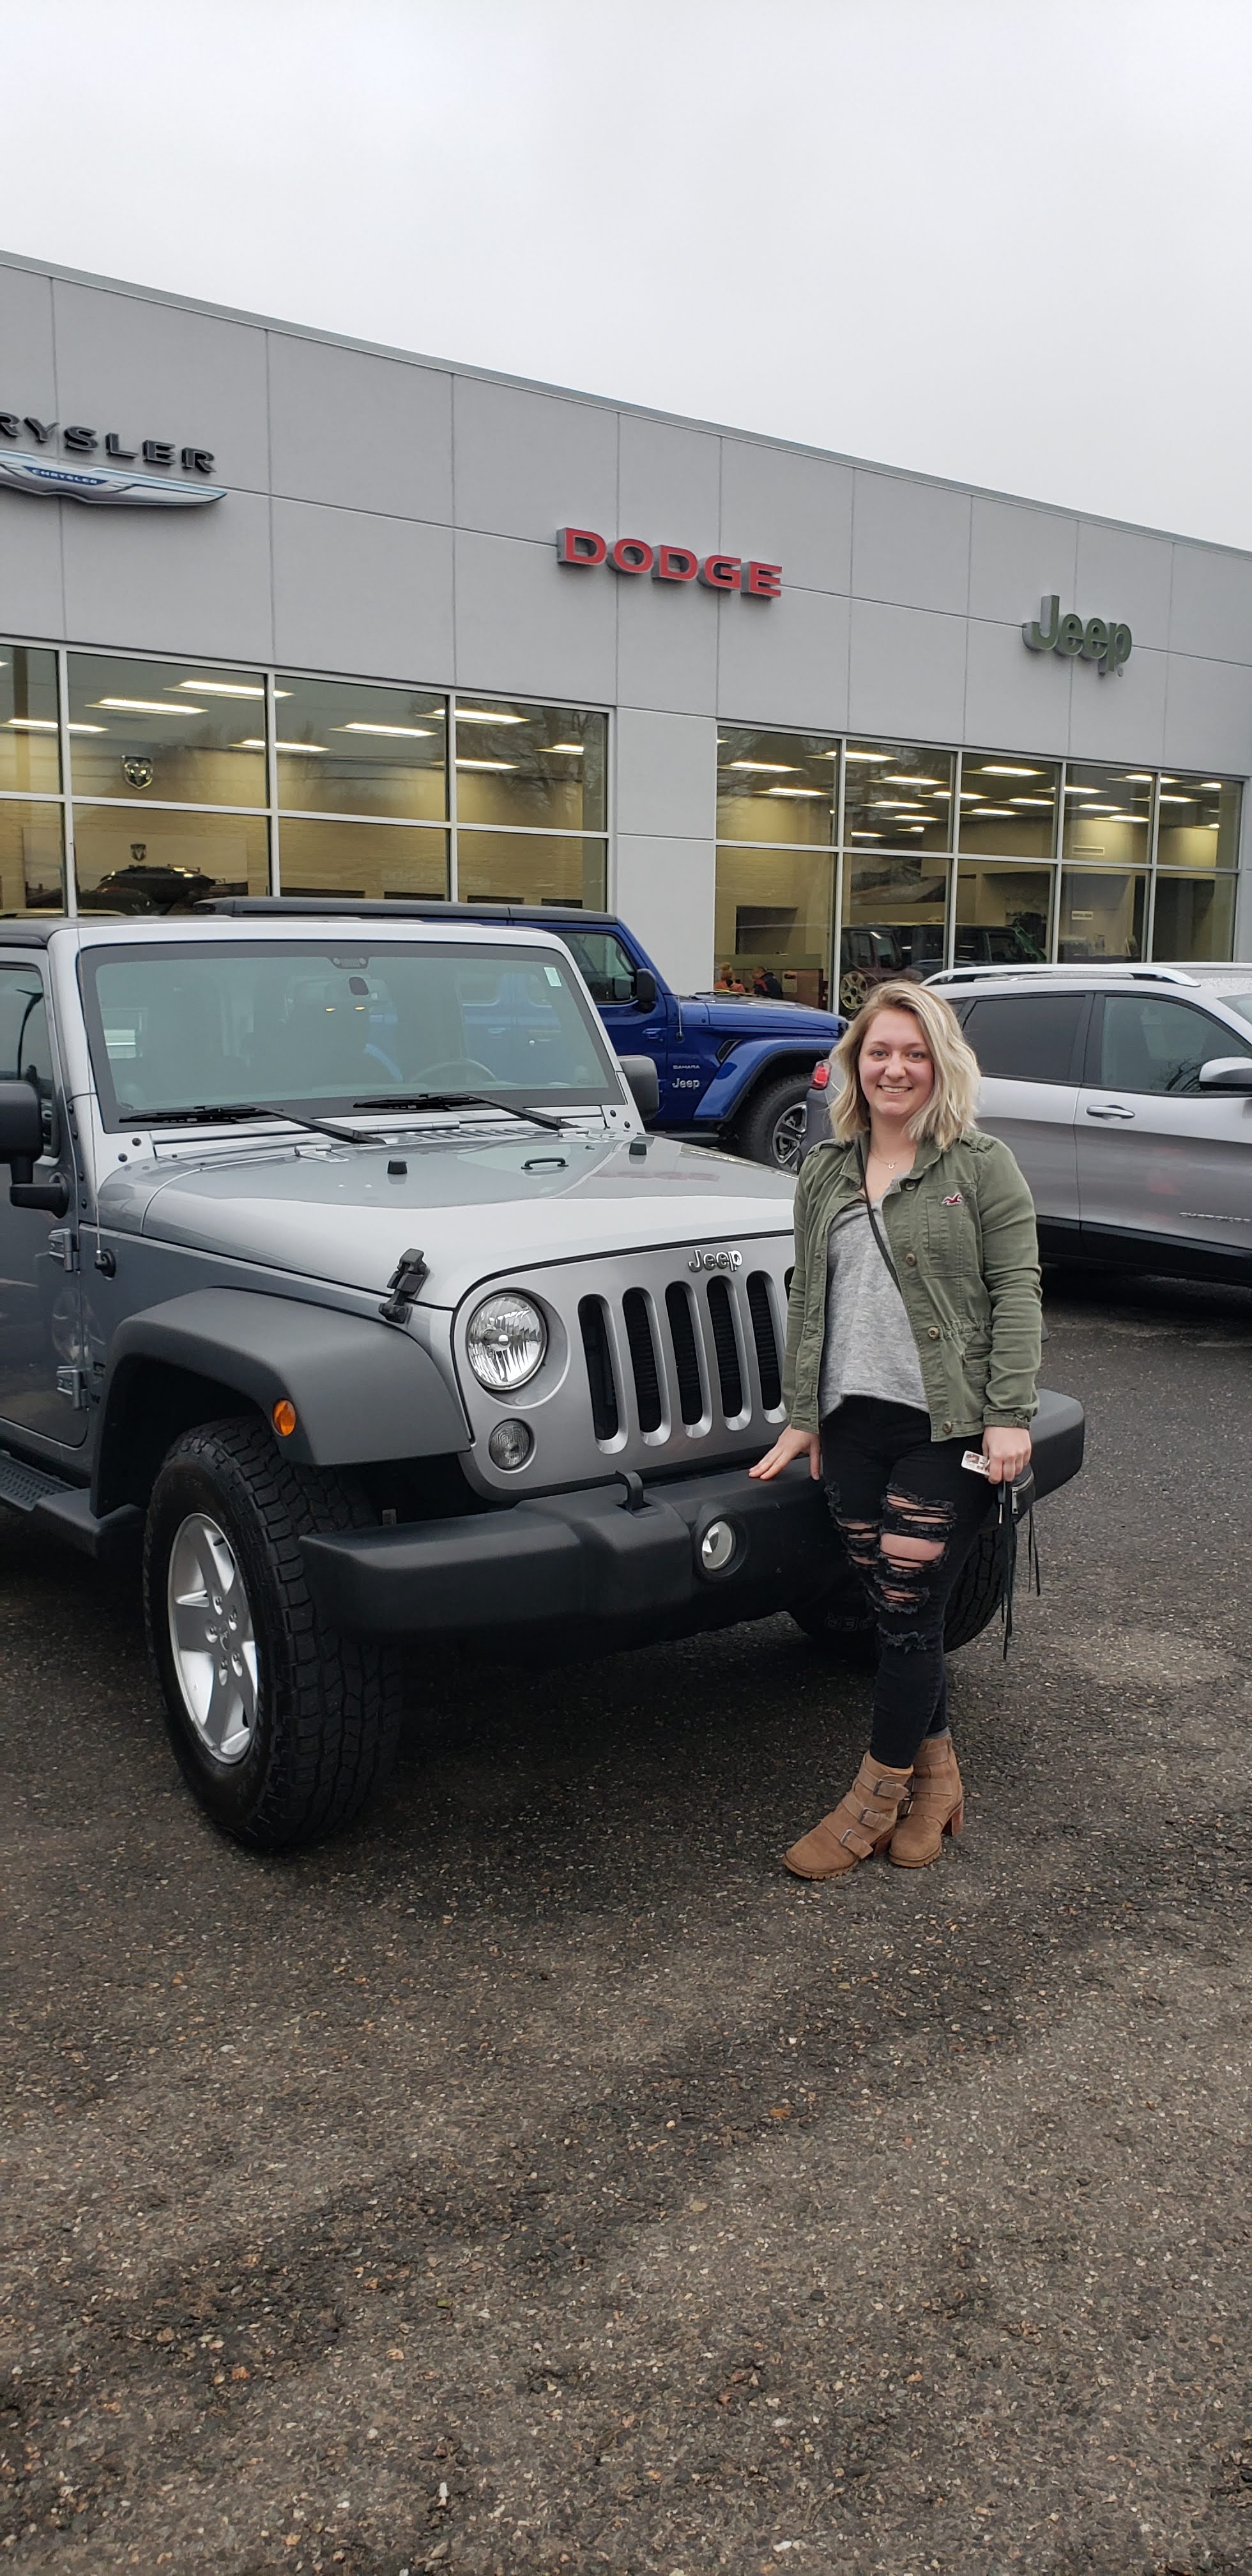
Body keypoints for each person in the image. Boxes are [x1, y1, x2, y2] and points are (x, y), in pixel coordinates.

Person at [749, 978, 1041, 1876]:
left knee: (910, 1604)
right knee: (893, 1608)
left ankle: (870, 1801)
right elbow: (810, 1299)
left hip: (947, 1425)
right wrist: (803, 1419)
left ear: (941, 1065)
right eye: (879, 1051)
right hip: (853, 1422)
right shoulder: (824, 1169)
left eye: (915, 1053)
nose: (895, 1068)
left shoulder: (980, 1165)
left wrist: (1009, 1416)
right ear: (855, 1063)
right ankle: (939, 1780)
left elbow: (1017, 1290)